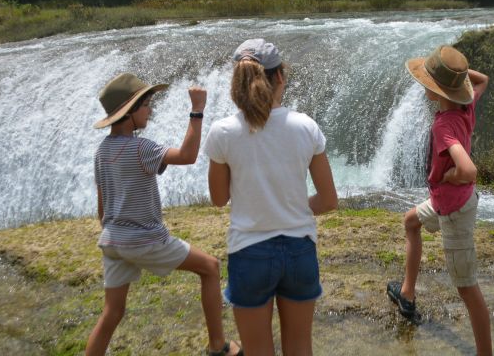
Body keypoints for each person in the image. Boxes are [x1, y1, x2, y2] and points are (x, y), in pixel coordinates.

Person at [86, 72, 241, 356]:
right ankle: (218, 345)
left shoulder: (101, 151)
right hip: (144, 240)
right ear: (130, 112)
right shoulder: (140, 148)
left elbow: (102, 205)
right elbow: (187, 155)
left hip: (112, 241)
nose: (151, 110)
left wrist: (114, 234)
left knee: (112, 312)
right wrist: (197, 111)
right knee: (210, 267)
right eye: (146, 105)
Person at [205, 39, 338, 356]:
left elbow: (219, 198)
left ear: (237, 81)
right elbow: (329, 199)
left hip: (249, 252)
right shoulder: (305, 126)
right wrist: (294, 209)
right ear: (280, 77)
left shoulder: (222, 132)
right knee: (300, 349)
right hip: (299, 249)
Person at [387, 45, 493, 356]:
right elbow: (482, 79)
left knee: (467, 288)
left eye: (428, 83)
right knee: (410, 222)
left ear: (436, 91)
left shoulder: (444, 124)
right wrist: (456, 74)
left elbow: (468, 169)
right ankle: (407, 294)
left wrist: (451, 177)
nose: (424, 88)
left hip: (455, 206)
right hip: (445, 199)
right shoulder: (466, 106)